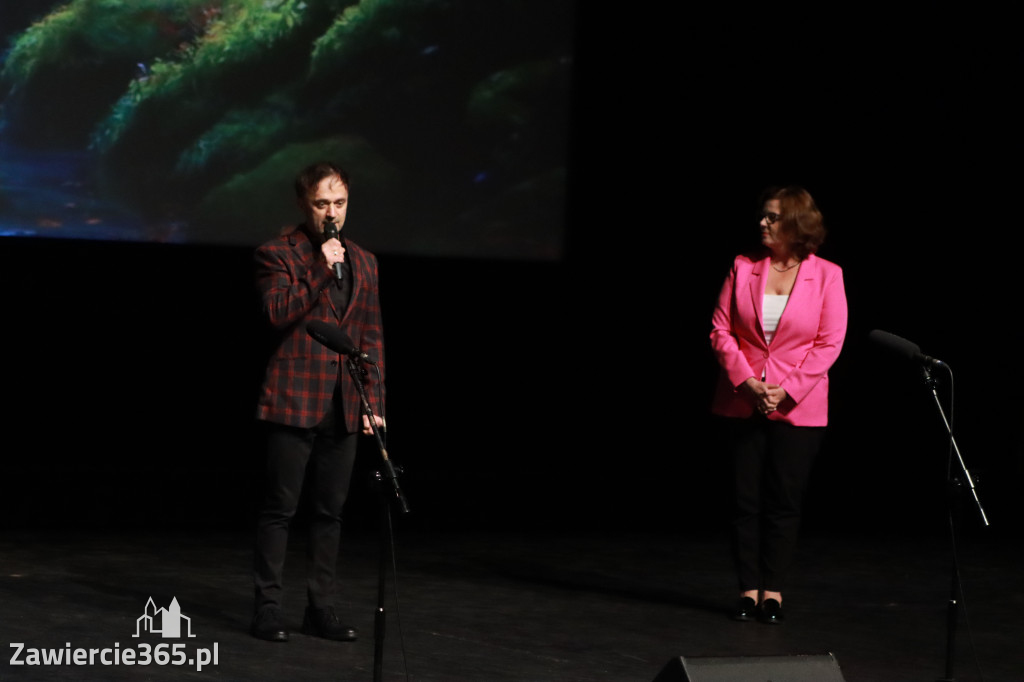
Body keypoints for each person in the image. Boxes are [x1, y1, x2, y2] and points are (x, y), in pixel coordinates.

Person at [250, 161, 386, 643]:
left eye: (340, 203)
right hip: (294, 396)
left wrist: (375, 401)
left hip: (345, 402)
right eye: (322, 203)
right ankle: (268, 606)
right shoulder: (277, 254)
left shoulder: (365, 262)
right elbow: (276, 312)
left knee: (330, 512)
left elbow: (370, 334)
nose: (332, 213)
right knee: (280, 508)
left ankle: (320, 608)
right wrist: (320, 268)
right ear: (304, 204)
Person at [709, 185, 847, 625]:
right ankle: (748, 590)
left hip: (798, 404)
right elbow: (720, 330)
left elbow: (828, 343)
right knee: (743, 499)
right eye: (763, 216)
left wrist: (785, 390)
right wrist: (748, 382)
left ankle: (774, 591)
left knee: (784, 501)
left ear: (796, 224)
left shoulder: (827, 274)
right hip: (741, 397)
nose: (762, 223)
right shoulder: (743, 266)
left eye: (772, 217)